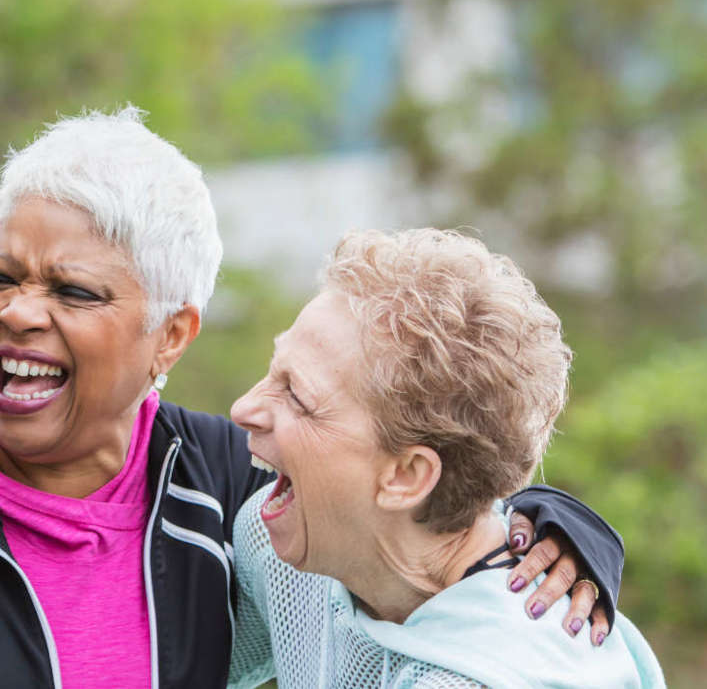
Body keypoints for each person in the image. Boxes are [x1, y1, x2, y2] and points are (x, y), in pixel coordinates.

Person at [0, 109, 624, 689]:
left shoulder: (221, 489)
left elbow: (445, 499)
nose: (247, 410)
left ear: (171, 336)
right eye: (0, 277)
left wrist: (552, 527)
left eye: (74, 291)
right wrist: (537, 521)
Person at [226, 228, 664, 688]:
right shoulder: (284, 548)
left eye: (297, 396)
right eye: (274, 371)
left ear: (407, 476)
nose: (243, 409)